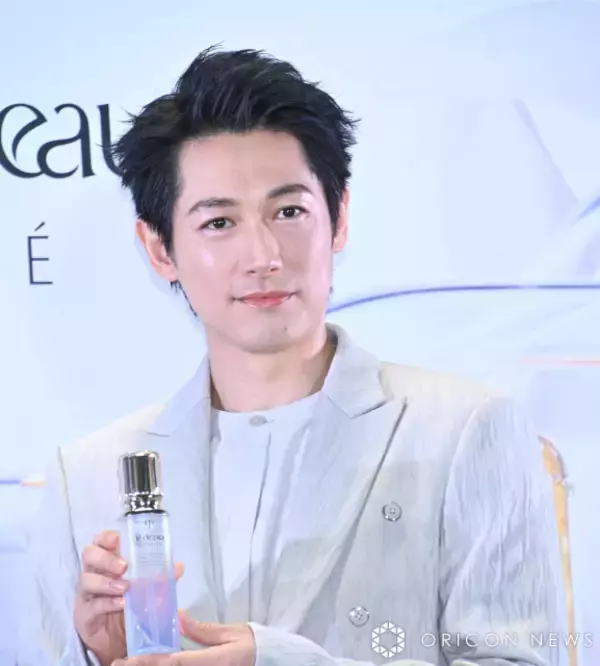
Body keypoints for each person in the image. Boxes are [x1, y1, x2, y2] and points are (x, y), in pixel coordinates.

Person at [19, 46, 567, 666]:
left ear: (338, 218)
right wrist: (104, 656)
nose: (263, 256)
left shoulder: (465, 430)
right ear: (159, 248)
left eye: (288, 211)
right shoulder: (86, 478)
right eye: (219, 223)